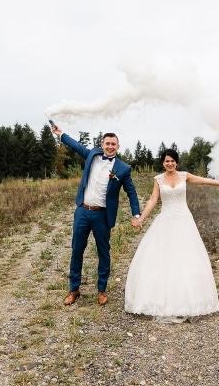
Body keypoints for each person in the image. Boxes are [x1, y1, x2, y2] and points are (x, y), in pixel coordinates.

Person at [124, 148, 219, 323]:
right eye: (166, 161)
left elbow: (204, 180)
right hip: (165, 220)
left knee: (186, 256)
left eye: (172, 161)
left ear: (176, 162)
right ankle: (158, 300)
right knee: (162, 257)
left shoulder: (184, 176)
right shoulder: (158, 180)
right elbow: (153, 199)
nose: (169, 164)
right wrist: (141, 218)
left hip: (184, 220)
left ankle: (188, 299)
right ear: (163, 163)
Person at [51, 125, 141, 306]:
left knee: (103, 253)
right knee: (77, 250)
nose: (110, 146)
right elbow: (76, 146)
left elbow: (131, 192)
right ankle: (74, 289)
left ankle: (101, 290)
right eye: (107, 143)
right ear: (102, 144)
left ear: (118, 146)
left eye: (113, 144)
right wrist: (61, 134)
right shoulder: (92, 154)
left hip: (102, 215)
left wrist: (136, 214)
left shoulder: (123, 168)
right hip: (83, 211)